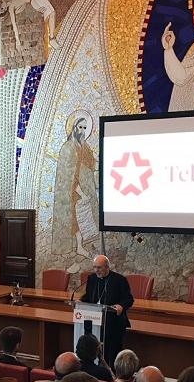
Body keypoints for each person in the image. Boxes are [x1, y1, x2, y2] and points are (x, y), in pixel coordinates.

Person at [52, 111, 98, 256]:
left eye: (85, 128)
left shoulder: (85, 147)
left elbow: (91, 166)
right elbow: (67, 176)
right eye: (80, 127)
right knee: (74, 219)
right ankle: (77, 247)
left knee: (83, 218)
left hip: (82, 188)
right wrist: (80, 192)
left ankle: (82, 245)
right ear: (74, 127)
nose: (82, 131)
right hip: (71, 191)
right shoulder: (68, 148)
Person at [80, 255, 134, 366]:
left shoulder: (119, 280)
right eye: (94, 267)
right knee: (96, 350)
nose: (96, 270)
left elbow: (129, 299)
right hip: (96, 321)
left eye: (99, 267)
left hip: (114, 322)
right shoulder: (92, 278)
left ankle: (113, 371)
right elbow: (88, 297)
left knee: (113, 353)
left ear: (107, 267)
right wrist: (80, 302)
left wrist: (121, 306)